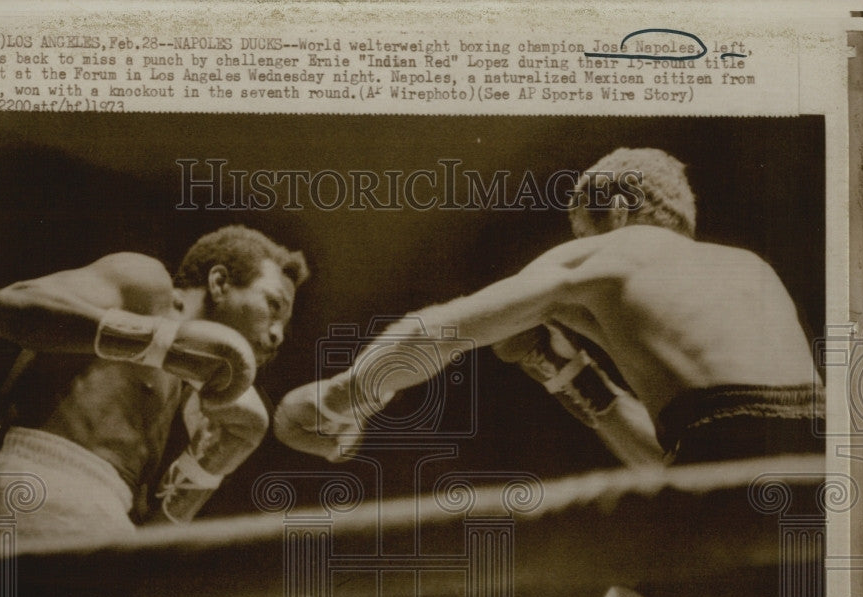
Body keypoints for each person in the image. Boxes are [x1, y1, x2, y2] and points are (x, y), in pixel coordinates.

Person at [274, 147, 824, 467]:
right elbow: (677, 459)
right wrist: (560, 370)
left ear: (615, 207)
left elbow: (448, 327)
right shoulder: (752, 269)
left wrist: (345, 394)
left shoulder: (616, 250)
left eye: (583, 230)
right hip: (824, 467)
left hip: (728, 462)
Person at [0, 224, 308, 597]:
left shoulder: (196, 402)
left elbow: (152, 536)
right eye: (273, 305)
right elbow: (9, 306)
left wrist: (216, 462)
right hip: (24, 491)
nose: (277, 335)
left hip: (94, 536)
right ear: (220, 282)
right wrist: (159, 341)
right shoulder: (147, 285)